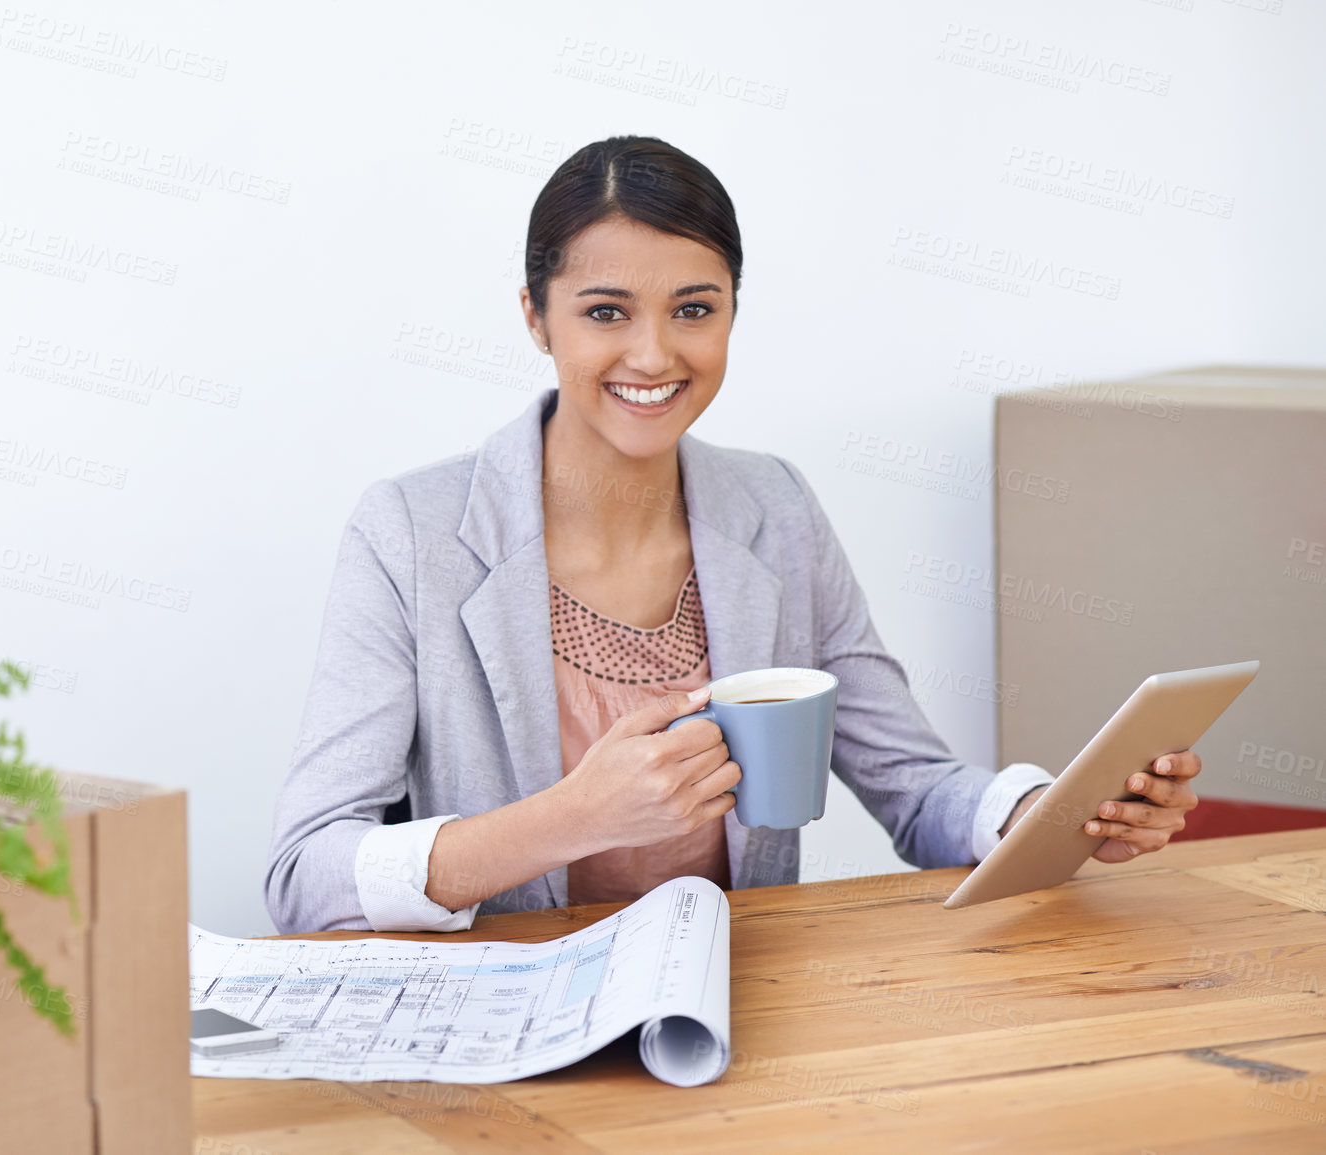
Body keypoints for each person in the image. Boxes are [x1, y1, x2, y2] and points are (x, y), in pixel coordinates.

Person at [264, 135, 1201, 935]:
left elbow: (913, 786)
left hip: (731, 999)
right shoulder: (411, 534)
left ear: (731, 314)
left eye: (693, 309)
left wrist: (1048, 814)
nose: (653, 355)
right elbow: (304, 876)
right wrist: (569, 818)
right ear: (534, 318)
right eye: (604, 311)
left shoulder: (774, 507)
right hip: (511, 1022)